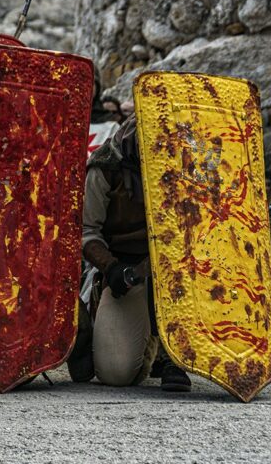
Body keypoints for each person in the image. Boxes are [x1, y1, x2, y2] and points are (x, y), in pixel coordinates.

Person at [73, 117, 192, 392]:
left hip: (181, 274)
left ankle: (176, 355)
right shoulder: (106, 167)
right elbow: (86, 230)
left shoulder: (191, 164)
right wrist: (111, 268)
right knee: (116, 373)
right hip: (128, 270)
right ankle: (145, 338)